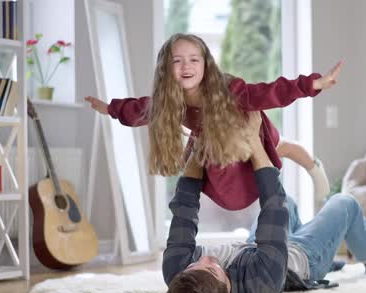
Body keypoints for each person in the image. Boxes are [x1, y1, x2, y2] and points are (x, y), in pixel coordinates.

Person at [163, 113, 366, 293]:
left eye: (194, 266)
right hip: (302, 259)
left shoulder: (177, 271)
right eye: (211, 268)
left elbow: (184, 208)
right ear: (226, 288)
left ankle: (327, 255)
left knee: (288, 202)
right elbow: (273, 207)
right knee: (344, 203)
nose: (203, 259)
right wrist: (255, 144)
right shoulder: (261, 282)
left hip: (256, 248)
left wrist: (196, 151)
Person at [84, 33, 341, 210]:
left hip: (252, 134)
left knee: (285, 147)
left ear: (206, 65)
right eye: (177, 60)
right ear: (166, 69)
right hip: (217, 144)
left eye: (194, 59)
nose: (186, 66)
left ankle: (314, 166)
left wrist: (313, 84)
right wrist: (109, 108)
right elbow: (139, 109)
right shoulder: (170, 100)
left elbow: (269, 92)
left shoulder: (230, 89)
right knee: (197, 164)